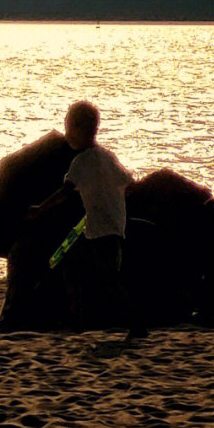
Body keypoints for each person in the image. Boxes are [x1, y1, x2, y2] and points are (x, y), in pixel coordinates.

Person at [61, 101, 147, 338]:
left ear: (81, 129)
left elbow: (65, 192)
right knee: (95, 272)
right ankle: (85, 318)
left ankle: (136, 323)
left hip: (101, 230)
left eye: (69, 128)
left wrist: (38, 211)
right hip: (112, 226)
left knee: (109, 280)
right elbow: (129, 184)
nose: (67, 133)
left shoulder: (81, 162)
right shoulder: (108, 157)